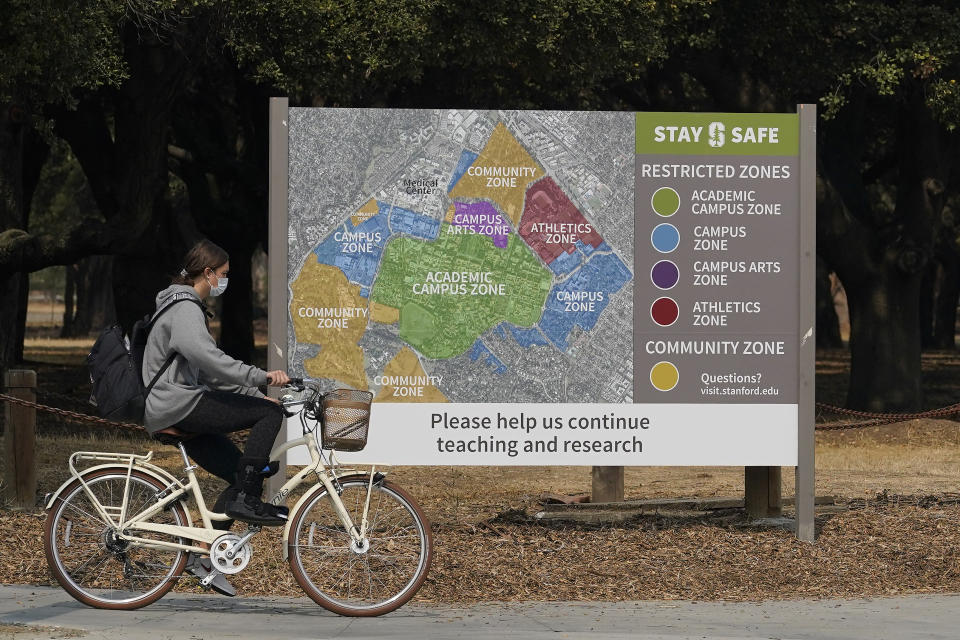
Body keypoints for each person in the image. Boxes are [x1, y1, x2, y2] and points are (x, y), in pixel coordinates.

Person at [141, 240, 289, 595]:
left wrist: (255, 391)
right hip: (176, 403)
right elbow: (208, 358)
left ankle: (204, 556)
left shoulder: (185, 306)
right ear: (207, 273)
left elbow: (209, 376)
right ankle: (248, 499)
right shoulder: (184, 307)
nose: (225, 281)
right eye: (223, 275)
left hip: (180, 400)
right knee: (271, 414)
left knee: (240, 471)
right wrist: (259, 377)